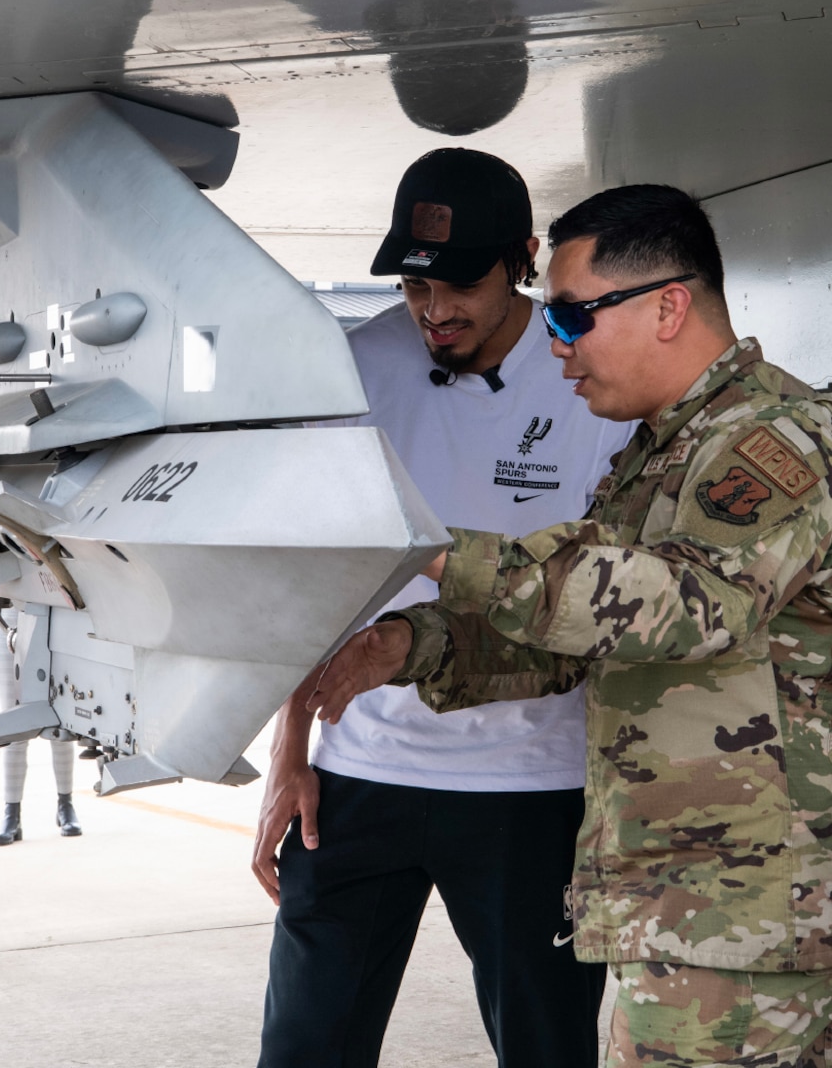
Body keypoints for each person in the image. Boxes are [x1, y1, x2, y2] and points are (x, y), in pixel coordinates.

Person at [304, 183, 832, 1068]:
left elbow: (687, 604)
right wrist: (412, 644)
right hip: (698, 907)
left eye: (570, 319)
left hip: (748, 917)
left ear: (667, 307)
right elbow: (584, 624)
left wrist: (433, 548)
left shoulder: (765, 442)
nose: (555, 349)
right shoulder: (663, 453)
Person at [252, 149, 634, 1068]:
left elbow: (604, 601)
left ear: (524, 258)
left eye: (461, 284)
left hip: (530, 789)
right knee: (305, 1048)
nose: (434, 311)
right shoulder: (354, 367)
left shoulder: (593, 386)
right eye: (417, 287)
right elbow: (308, 576)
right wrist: (290, 754)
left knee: (546, 1050)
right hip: (355, 777)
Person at [0, 604, 82, 846]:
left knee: (58, 727)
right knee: (13, 728)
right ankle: (12, 815)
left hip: (51, 625)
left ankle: (65, 805)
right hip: (8, 624)